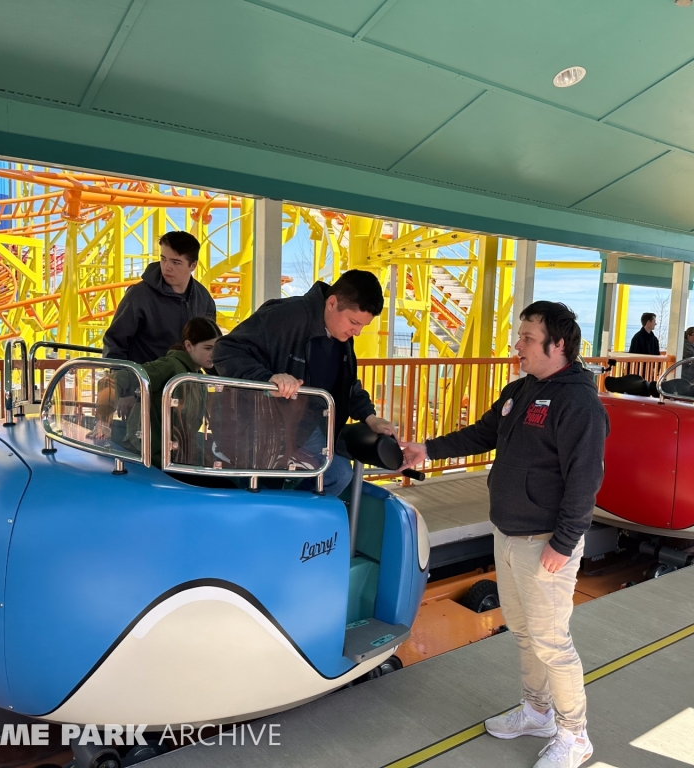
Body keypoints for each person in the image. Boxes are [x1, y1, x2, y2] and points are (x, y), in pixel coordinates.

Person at [401, 301, 608, 768]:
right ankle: (537, 711)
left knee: (552, 641)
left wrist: (564, 541)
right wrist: (426, 450)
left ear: (558, 345)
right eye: (521, 336)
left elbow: (585, 479)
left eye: (528, 339)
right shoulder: (522, 390)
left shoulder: (579, 403)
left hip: (545, 543)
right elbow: (482, 434)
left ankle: (574, 736)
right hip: (509, 533)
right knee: (522, 631)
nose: (518, 345)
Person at [212, 270, 396, 496]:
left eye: (362, 326)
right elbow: (225, 349)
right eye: (354, 322)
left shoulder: (341, 335)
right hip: (259, 425)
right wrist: (267, 379)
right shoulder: (286, 315)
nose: (357, 332)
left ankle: (293, 513)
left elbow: (347, 384)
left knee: (339, 475)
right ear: (332, 302)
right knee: (263, 488)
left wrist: (371, 417)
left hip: (304, 426)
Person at [103, 317, 220, 468]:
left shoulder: (197, 379)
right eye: (208, 348)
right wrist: (102, 422)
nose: (213, 354)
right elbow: (111, 381)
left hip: (173, 455)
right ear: (189, 345)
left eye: (216, 349)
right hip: (152, 457)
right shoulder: (170, 366)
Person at [103, 231, 217, 365]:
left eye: (176, 262)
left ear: (193, 265)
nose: (167, 267)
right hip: (145, 382)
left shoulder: (204, 299)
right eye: (163, 259)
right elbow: (114, 341)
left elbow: (208, 345)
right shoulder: (139, 295)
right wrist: (120, 378)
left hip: (186, 383)